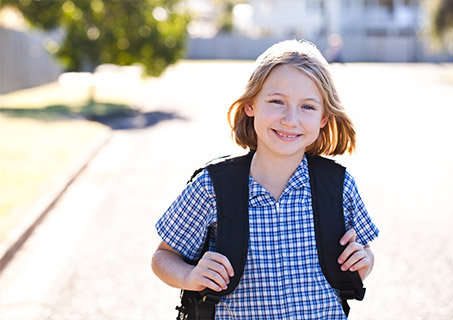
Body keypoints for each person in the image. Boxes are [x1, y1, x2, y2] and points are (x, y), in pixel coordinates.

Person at [151, 39, 379, 319]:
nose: (290, 119)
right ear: (251, 105)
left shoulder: (338, 186)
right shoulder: (213, 188)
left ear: (323, 118)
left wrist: (363, 261)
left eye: (307, 107)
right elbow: (162, 257)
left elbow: (364, 254)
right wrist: (190, 276)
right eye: (276, 102)